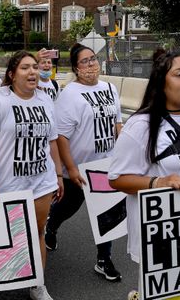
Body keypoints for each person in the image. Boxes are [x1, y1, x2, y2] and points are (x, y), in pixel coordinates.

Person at [0, 50, 64, 300]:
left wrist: (57, 174)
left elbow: (53, 140)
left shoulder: (46, 99)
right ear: (12, 74)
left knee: (37, 231)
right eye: (25, 68)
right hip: (6, 183)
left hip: (41, 181)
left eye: (35, 67)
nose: (33, 71)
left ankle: (37, 283)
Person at [108, 51, 180, 300]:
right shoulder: (141, 126)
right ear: (161, 83)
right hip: (162, 237)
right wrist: (159, 182)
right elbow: (116, 178)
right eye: (179, 74)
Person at [44, 43, 122, 282]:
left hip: (105, 165)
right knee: (69, 206)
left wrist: (123, 153)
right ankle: (51, 227)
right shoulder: (70, 95)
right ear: (76, 68)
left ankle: (103, 259)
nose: (92, 64)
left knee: (107, 213)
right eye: (85, 61)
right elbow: (61, 137)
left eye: (94, 59)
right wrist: (71, 168)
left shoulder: (109, 88)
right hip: (78, 168)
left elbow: (117, 123)